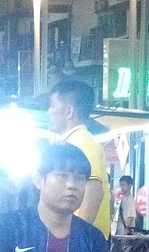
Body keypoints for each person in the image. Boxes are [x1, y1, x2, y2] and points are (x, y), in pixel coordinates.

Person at [46, 78, 113, 240]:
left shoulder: (82, 142)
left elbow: (93, 190)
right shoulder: (73, 142)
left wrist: (76, 240)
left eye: (53, 105)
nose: (49, 112)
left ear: (68, 111)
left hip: (85, 242)